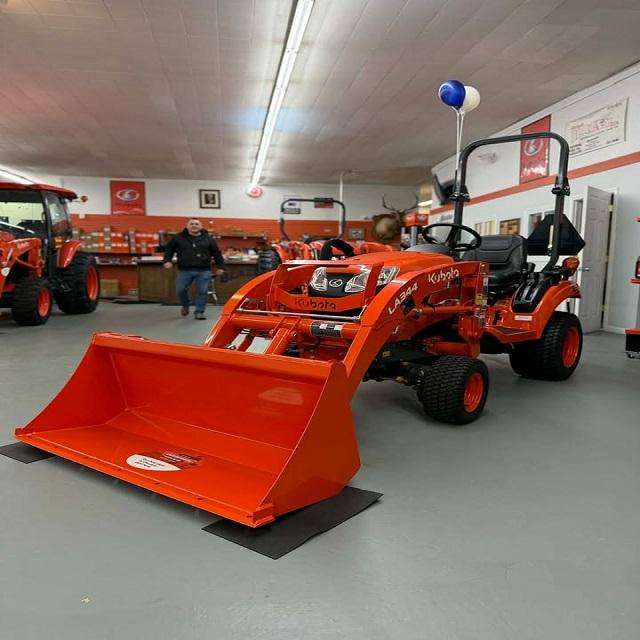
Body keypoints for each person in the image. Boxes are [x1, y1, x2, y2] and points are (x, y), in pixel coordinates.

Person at [163, 218, 224, 319]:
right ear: (187, 226)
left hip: (204, 270)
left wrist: (220, 266)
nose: (194, 226)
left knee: (202, 291)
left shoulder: (208, 239)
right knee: (180, 290)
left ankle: (199, 311)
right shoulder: (178, 238)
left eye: (196, 224)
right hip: (184, 270)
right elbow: (169, 250)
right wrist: (167, 260)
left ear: (201, 226)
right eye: (191, 224)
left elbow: (216, 253)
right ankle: (185, 305)